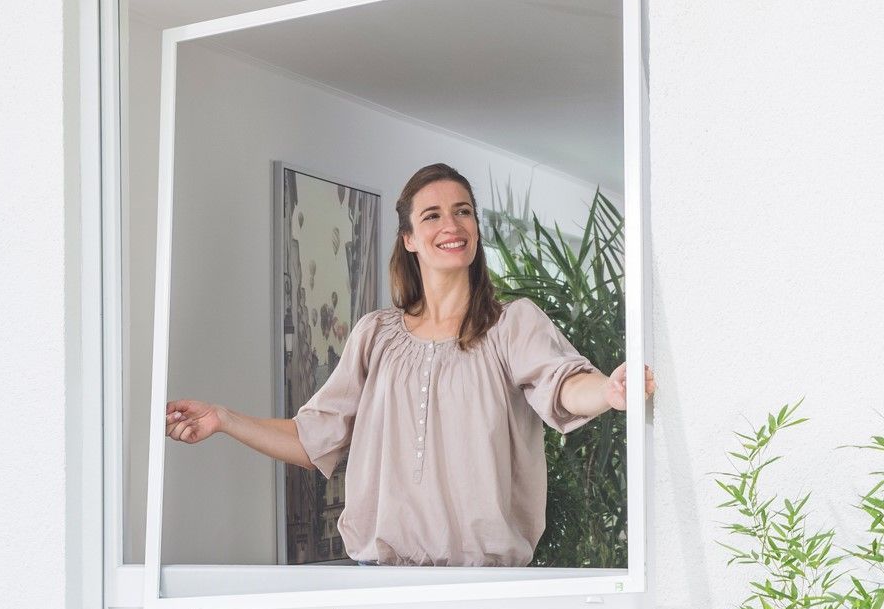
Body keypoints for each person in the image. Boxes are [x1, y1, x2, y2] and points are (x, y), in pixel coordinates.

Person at [166, 161, 654, 567]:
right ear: (409, 239)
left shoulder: (512, 326)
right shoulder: (374, 336)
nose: (452, 225)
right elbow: (312, 437)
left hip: (485, 590)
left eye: (463, 212)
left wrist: (608, 391)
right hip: (379, 583)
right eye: (433, 215)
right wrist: (224, 420)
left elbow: (562, 383)